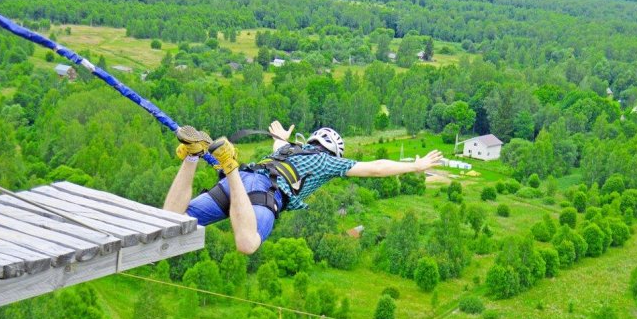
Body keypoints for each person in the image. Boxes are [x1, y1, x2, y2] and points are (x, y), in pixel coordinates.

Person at [163, 121, 443, 254]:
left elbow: (277, 144)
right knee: (248, 244)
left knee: (171, 221)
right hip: (262, 194)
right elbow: (376, 168)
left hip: (248, 179)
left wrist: (281, 137)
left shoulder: (288, 149)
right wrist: (415, 167)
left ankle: (190, 155)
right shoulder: (327, 162)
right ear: (335, 152)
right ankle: (229, 163)